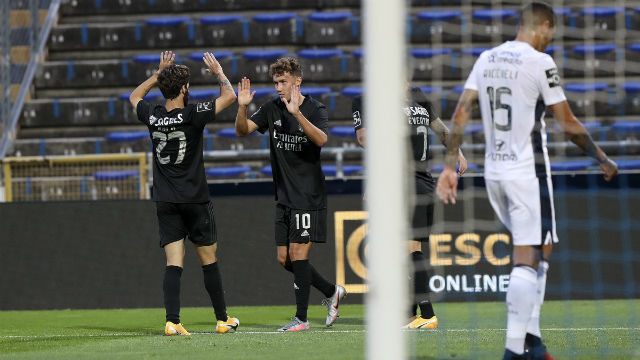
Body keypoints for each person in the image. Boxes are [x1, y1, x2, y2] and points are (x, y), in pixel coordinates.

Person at [435, 3, 618, 359]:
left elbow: (460, 114)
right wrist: (602, 158)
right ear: (543, 26)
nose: (551, 40)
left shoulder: (487, 58)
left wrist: (447, 167)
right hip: (527, 172)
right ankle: (514, 350)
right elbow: (568, 124)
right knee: (528, 255)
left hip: (495, 174)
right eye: (550, 33)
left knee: (541, 248)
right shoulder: (540, 62)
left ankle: (533, 340)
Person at [129, 51, 240, 336]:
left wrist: (157, 74)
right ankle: (222, 319)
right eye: (187, 85)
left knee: (173, 263)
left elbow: (134, 97)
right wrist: (218, 73)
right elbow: (229, 96)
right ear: (183, 89)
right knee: (208, 259)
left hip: (166, 200)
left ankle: (172, 321)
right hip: (195, 199)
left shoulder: (152, 116)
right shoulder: (192, 115)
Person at [234, 57, 346, 332]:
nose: (279, 87)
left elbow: (321, 140)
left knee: (298, 255)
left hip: (308, 195)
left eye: (283, 82)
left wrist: (297, 113)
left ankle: (301, 319)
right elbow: (242, 131)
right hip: (284, 195)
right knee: (284, 259)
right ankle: (332, 291)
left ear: (298, 80)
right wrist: (242, 107)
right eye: (275, 83)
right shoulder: (271, 108)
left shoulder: (315, 108)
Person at [352, 85, 467, 329]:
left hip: (410, 181)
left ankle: (427, 315)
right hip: (411, 180)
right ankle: (409, 315)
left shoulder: (405, 96)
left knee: (409, 248)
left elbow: (439, 129)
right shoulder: (376, 98)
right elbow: (365, 139)